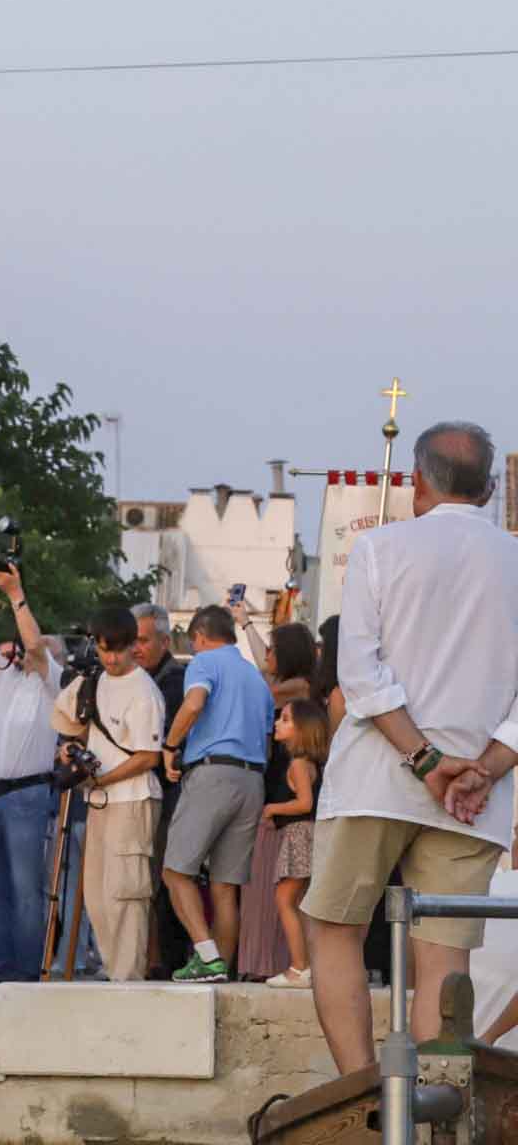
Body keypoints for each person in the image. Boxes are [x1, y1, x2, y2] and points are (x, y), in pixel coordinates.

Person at [307, 421, 518, 1071]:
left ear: (417, 482)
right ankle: (434, 1104)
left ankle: (361, 1094)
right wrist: (483, 769)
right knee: (444, 962)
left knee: (336, 931)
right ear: (488, 489)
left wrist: (426, 761)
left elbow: (360, 674)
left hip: (376, 777)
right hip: (475, 798)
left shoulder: (379, 548)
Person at [159, 604, 275, 982]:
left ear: (200, 636)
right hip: (252, 779)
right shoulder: (257, 678)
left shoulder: (205, 662)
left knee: (176, 872)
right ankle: (219, 972)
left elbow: (194, 703)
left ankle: (207, 958)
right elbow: (267, 740)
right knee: (225, 887)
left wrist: (170, 745)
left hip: (213, 773)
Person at [50, 606, 166, 982]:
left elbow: (148, 757)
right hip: (98, 801)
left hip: (133, 800)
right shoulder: (94, 680)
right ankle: (113, 972)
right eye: (104, 650)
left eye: (118, 649)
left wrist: (102, 779)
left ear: (134, 645)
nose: (112, 658)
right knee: (97, 897)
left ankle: (127, 979)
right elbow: (71, 722)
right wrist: (71, 749)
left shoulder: (145, 691)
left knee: (125, 894)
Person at [0, 566, 58, 987]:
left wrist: (17, 593)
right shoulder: (3, 677)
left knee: (26, 888)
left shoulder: (51, 682)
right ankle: (4, 970)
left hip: (27, 795)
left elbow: (36, 645)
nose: (23, 651)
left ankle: (27, 971)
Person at [134, 605, 190, 974]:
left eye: (142, 640)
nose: (134, 648)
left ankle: (164, 962)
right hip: (134, 794)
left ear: (165, 641)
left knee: (164, 882)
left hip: (169, 797)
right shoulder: (129, 679)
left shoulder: (176, 682)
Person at [262, 697, 329, 989]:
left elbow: (304, 803)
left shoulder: (299, 764)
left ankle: (299, 967)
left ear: (303, 729)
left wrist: (272, 809)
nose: (278, 722)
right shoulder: (311, 764)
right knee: (300, 902)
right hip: (308, 834)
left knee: (285, 899)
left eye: (286, 719)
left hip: (300, 834)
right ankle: (309, 966)